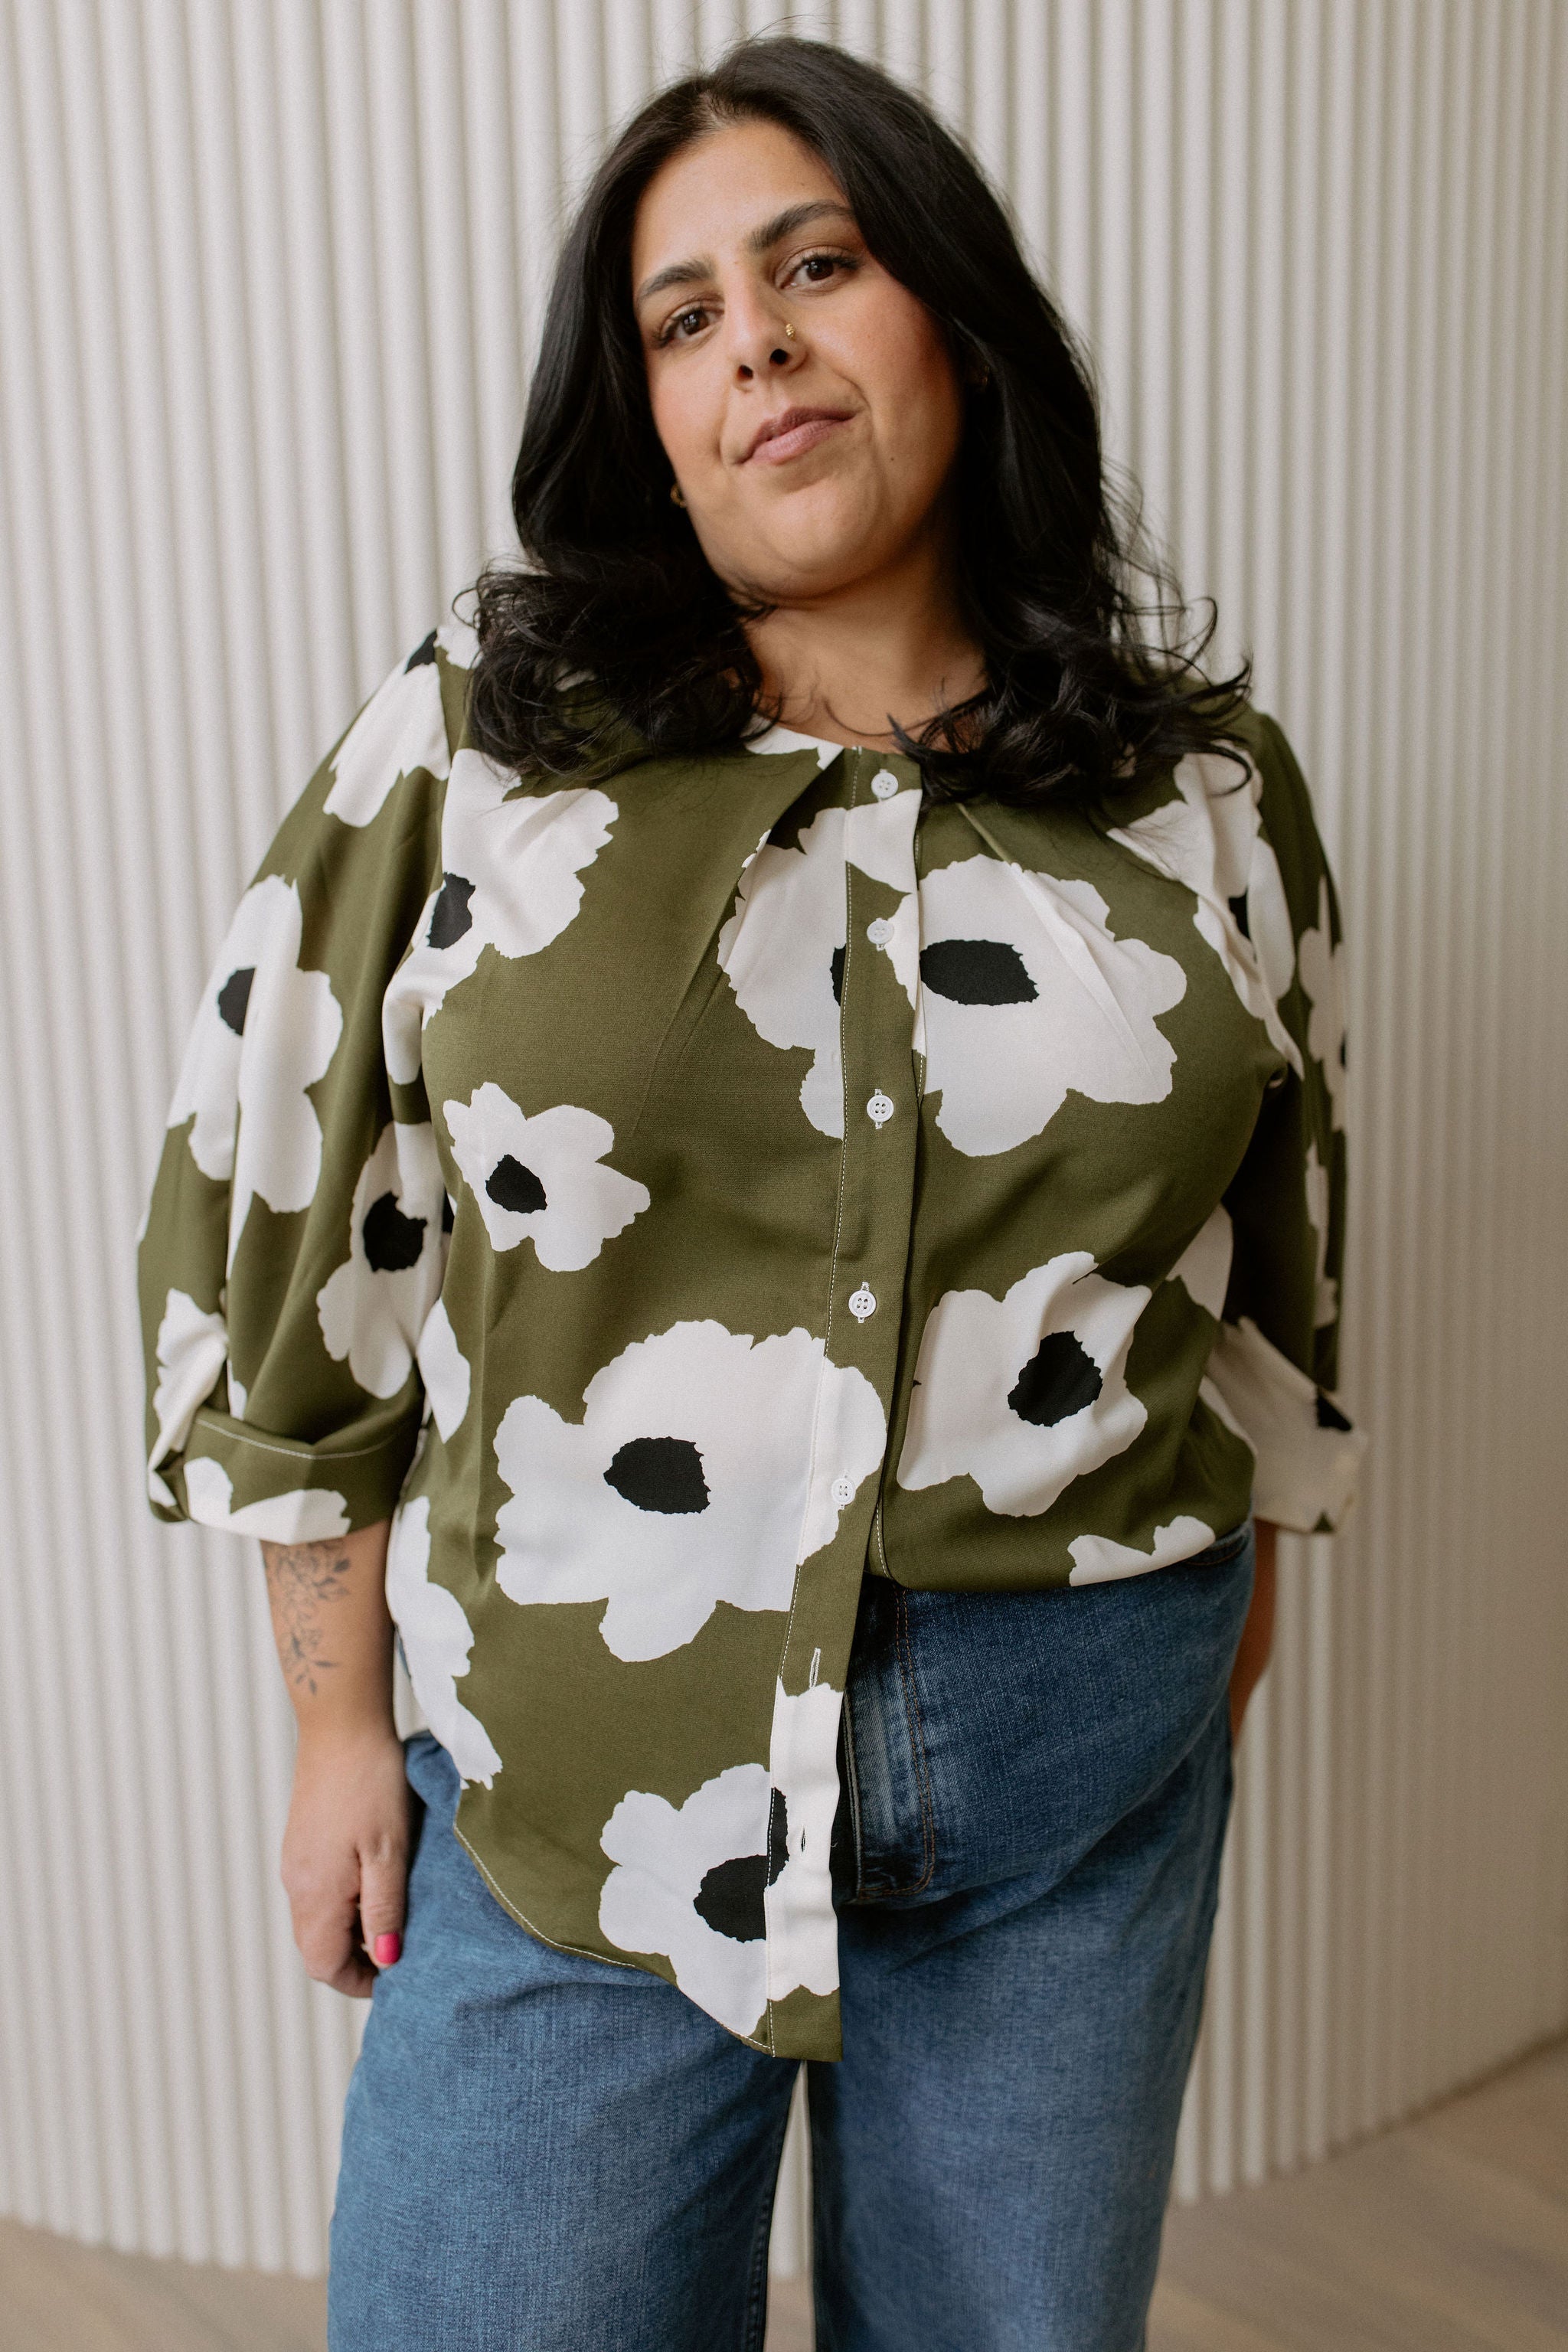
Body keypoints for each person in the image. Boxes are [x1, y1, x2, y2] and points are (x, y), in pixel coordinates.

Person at [139, 35, 1362, 2352]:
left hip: (1078, 1784)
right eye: (684, 318)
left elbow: (1274, 1268)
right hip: (576, 1775)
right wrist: (333, 1724)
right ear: (649, 414)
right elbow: (298, 1213)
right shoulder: (481, 736)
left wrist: (1202, 1679)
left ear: (955, 320)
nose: (757, 346)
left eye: (817, 267)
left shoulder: (1207, 789)